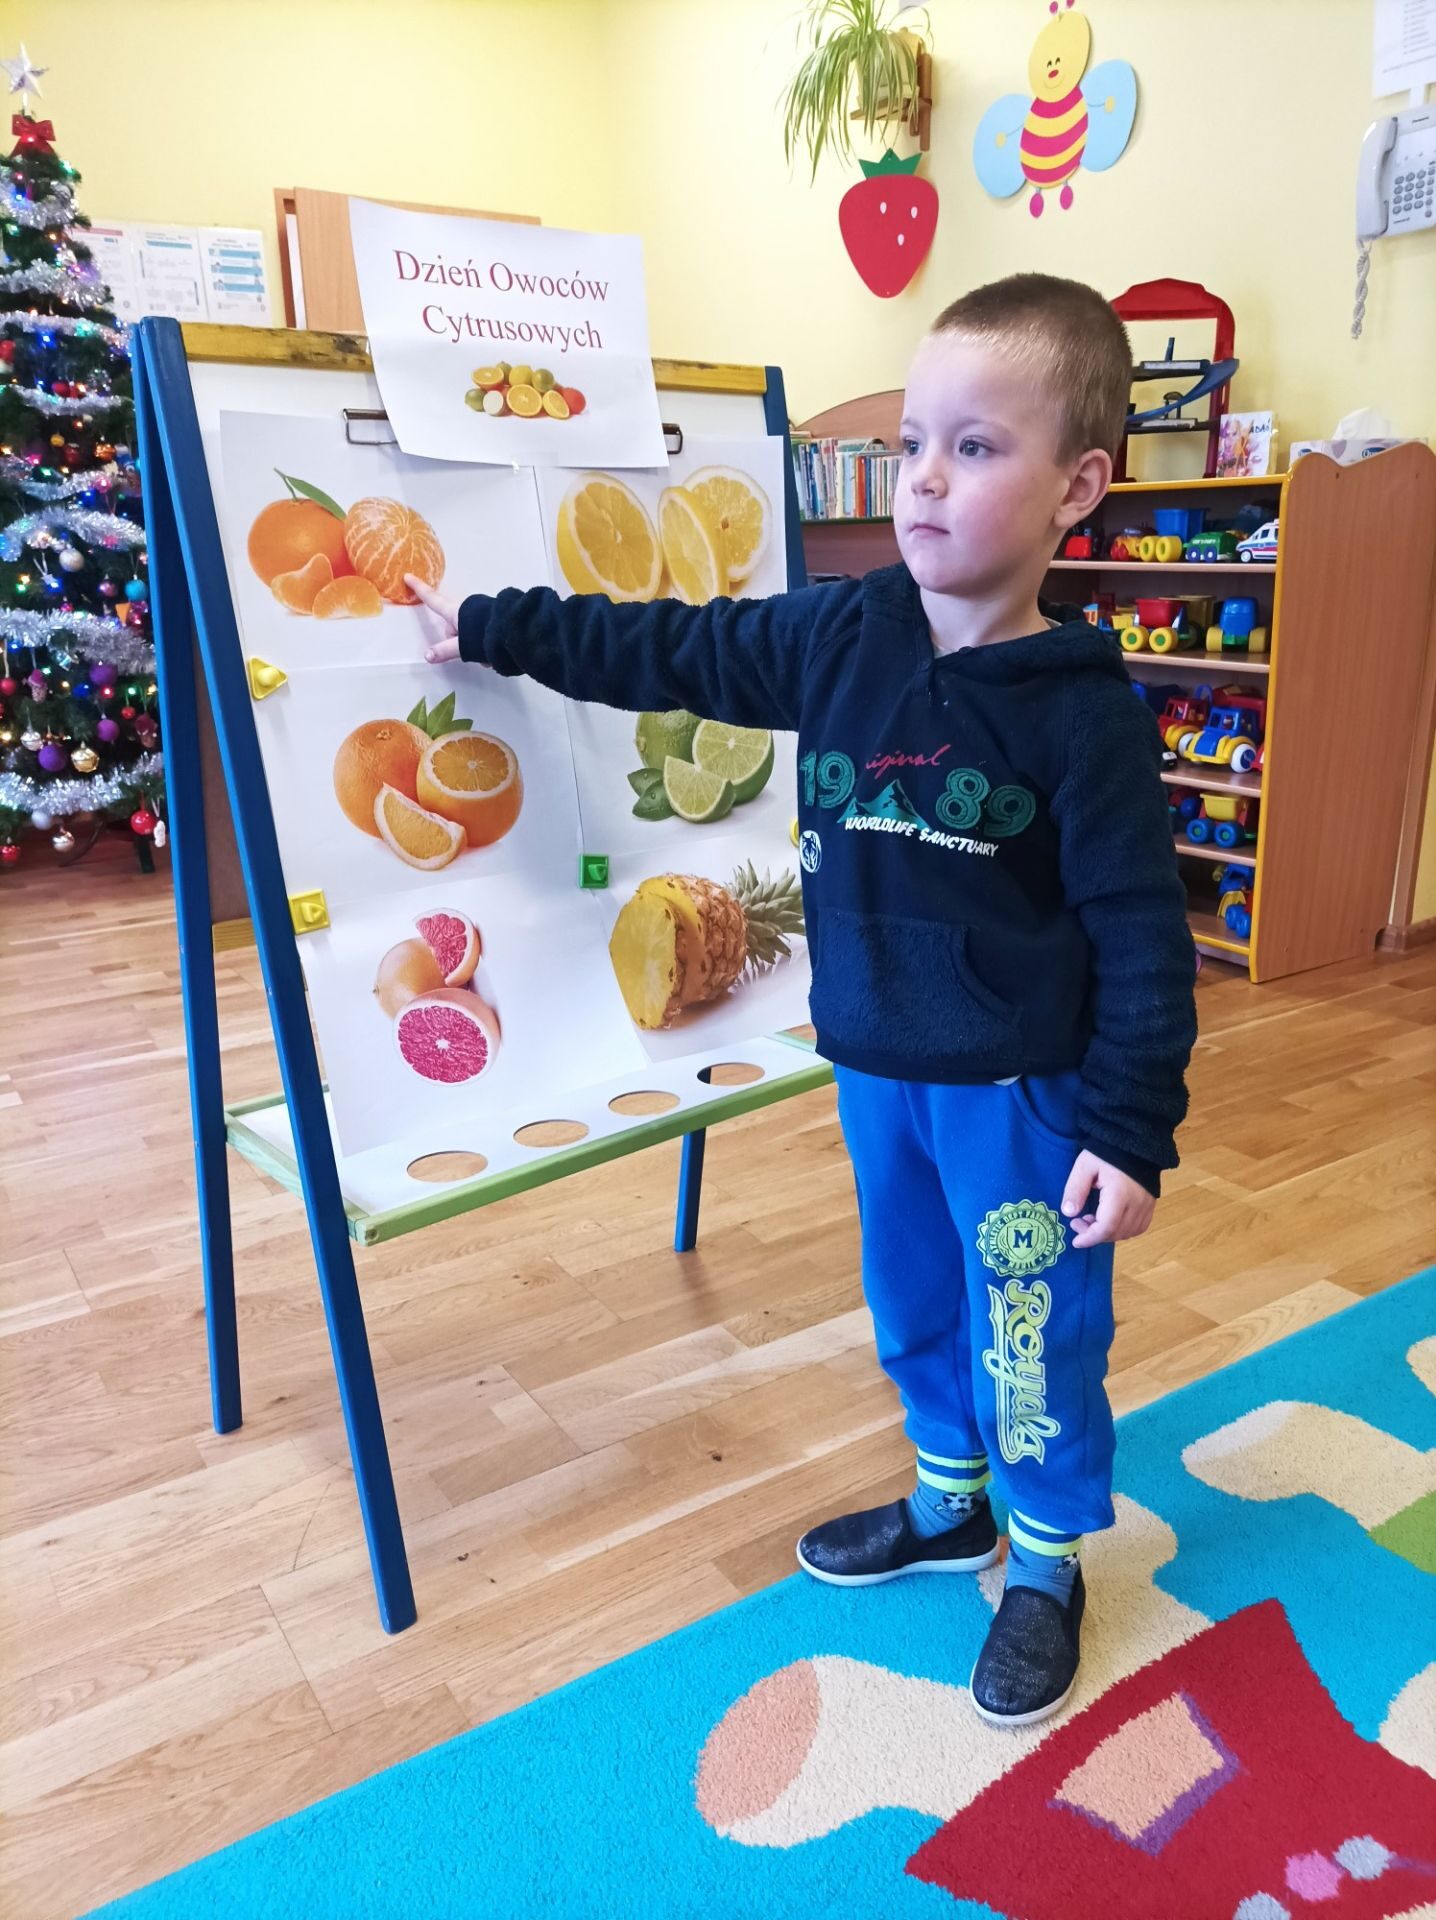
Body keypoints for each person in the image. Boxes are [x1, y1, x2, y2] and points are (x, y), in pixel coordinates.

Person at [409, 272, 1197, 1727]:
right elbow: (669, 648)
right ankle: (950, 1503)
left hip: (1022, 1098)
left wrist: (1131, 1129)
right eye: (912, 444)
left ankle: (1043, 1564)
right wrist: (490, 624)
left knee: (1029, 1329)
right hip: (878, 1072)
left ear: (1077, 488)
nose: (924, 480)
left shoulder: (1085, 712)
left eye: (975, 447)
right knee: (911, 1301)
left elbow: (1144, 934)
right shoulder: (846, 635)